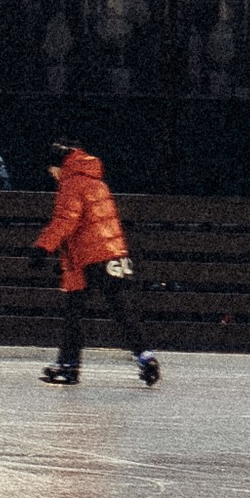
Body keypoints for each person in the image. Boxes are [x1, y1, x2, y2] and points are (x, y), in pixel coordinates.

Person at [34, 136, 160, 387]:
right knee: (121, 310)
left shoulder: (72, 183)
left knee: (74, 311)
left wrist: (42, 247)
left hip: (90, 257)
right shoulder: (97, 182)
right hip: (114, 253)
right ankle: (145, 358)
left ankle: (69, 366)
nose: (53, 176)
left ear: (60, 165)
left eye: (52, 171)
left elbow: (66, 220)